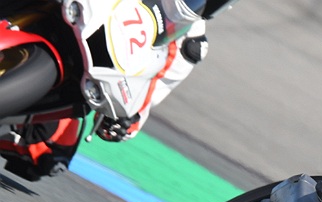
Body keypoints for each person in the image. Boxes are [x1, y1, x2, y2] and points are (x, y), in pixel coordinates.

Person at [0, 0, 238, 181]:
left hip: (79, 55)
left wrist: (128, 120)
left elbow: (152, 90)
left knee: (50, 152)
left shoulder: (188, 38)